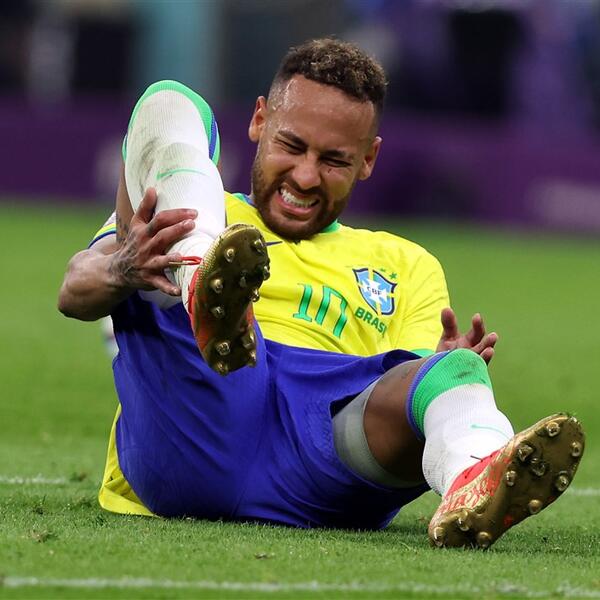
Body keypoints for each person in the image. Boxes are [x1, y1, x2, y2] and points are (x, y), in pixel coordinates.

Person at [58, 38, 584, 548]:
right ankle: (202, 279)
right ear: (259, 120)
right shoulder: (193, 206)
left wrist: (439, 373)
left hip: (324, 456)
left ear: (368, 158)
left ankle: (475, 475)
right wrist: (124, 268)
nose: (306, 176)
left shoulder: (407, 264)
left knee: (454, 374)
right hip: (196, 422)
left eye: (333, 160)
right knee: (171, 101)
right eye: (291, 146)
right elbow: (75, 290)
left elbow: (397, 401)